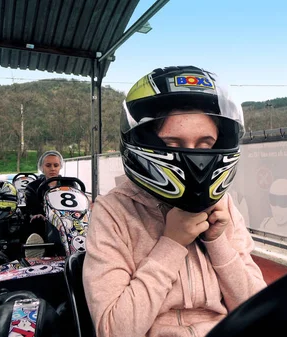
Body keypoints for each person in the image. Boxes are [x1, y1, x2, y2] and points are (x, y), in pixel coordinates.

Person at [83, 66, 267, 337]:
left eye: (205, 144)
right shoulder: (114, 212)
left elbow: (260, 313)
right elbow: (112, 331)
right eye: (173, 143)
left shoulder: (223, 206)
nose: (194, 157)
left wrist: (217, 243)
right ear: (145, 141)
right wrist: (171, 243)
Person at [23, 150, 65, 258]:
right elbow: (32, 207)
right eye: (48, 165)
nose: (52, 168)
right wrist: (37, 213)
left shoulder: (70, 183)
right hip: (45, 219)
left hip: (67, 218)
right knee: (37, 221)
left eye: (56, 165)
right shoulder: (33, 187)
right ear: (42, 167)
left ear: (60, 166)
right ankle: (38, 250)